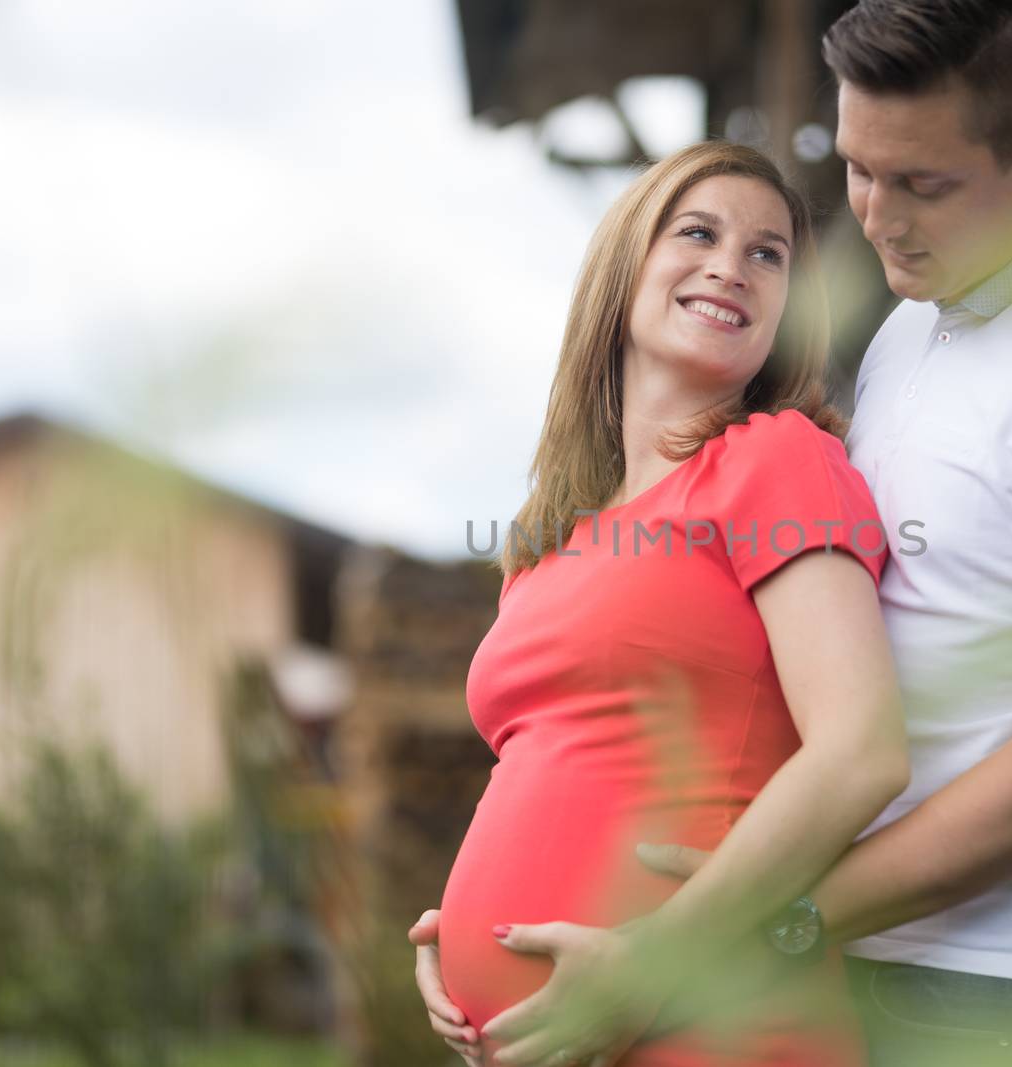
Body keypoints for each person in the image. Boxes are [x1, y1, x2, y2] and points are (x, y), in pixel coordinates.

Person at [413, 1, 1012, 1062]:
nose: (878, 218)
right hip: (860, 960)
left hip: (1010, 989)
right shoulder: (911, 330)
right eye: (856, 169)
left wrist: (768, 922)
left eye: (921, 183)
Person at [417, 139, 910, 1067]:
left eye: (770, 254)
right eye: (699, 232)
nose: (733, 264)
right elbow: (559, 761)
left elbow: (862, 752)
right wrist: (467, 930)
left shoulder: (775, 457)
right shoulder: (550, 537)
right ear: (625, 265)